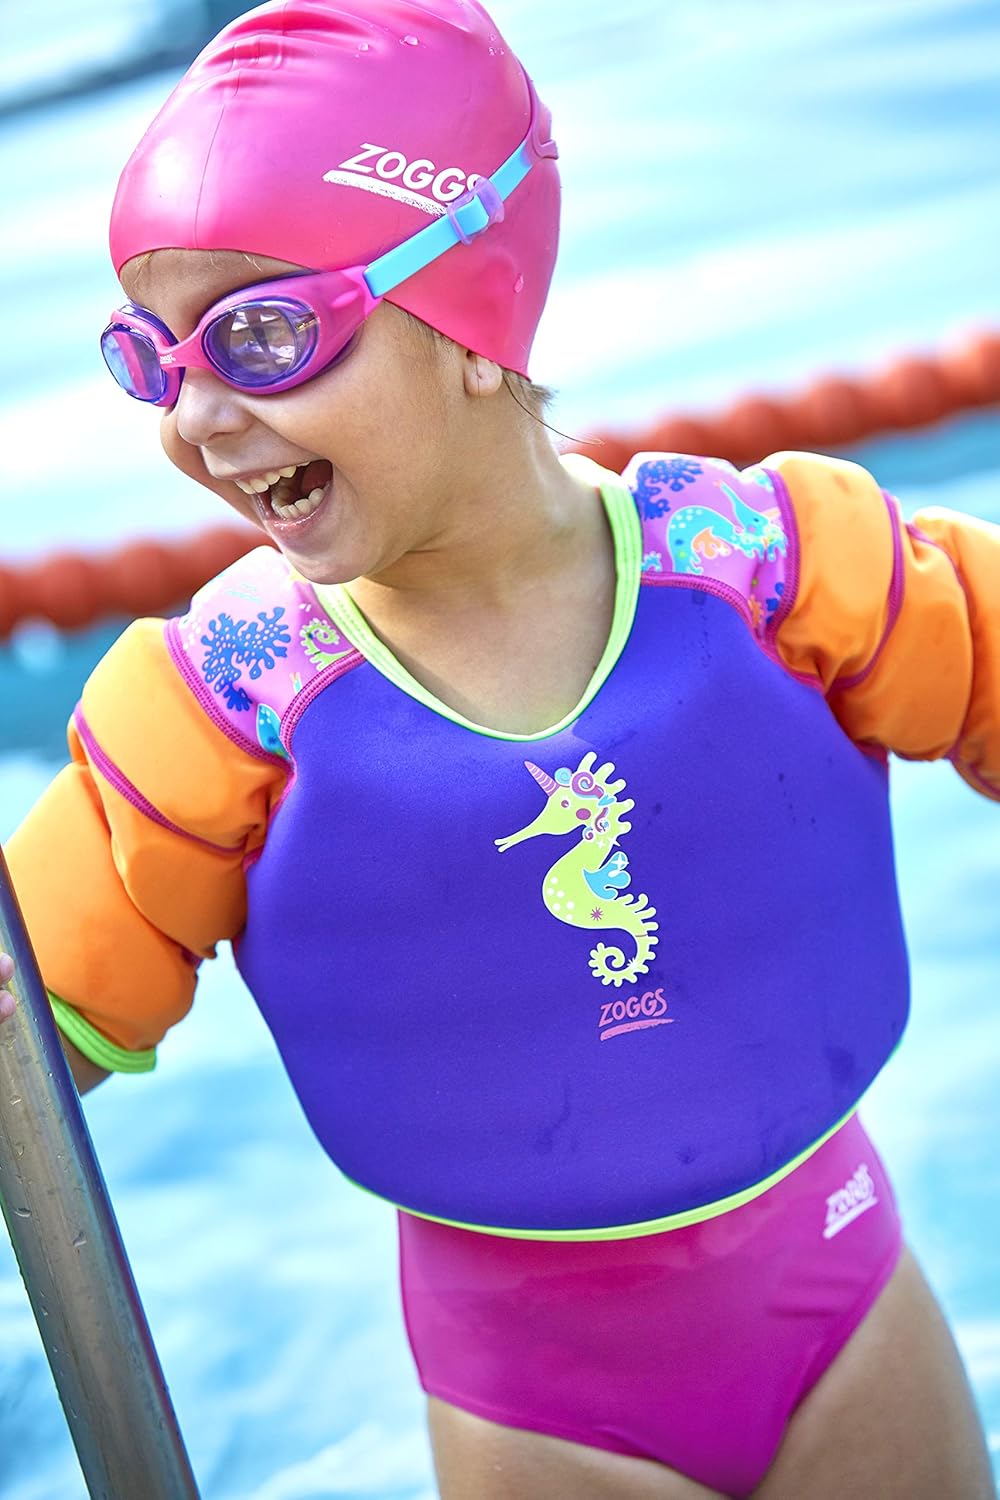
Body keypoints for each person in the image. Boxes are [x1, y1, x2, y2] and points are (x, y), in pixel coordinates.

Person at [1, 1, 997, 1495]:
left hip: (850, 1307)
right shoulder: (220, 711)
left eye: (261, 337)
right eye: (151, 358)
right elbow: (31, 1028)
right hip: (538, 1408)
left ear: (471, 308)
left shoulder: (780, 572)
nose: (197, 418)